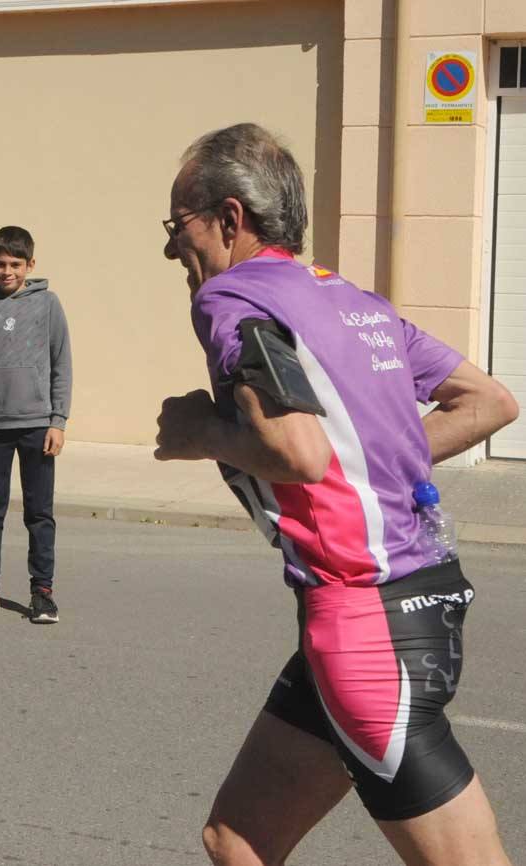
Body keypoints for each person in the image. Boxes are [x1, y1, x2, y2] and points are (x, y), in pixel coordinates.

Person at [154, 123, 518, 866]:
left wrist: (200, 431)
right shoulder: (352, 302)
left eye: (176, 225)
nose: (169, 249)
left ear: (228, 220)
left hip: (365, 624)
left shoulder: (229, 297)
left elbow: (296, 449)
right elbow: (487, 402)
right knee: (237, 840)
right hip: (403, 602)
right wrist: (372, 460)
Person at [0, 225, 71, 623]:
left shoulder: (48, 304)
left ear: (30, 264)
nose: (6, 271)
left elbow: (61, 365)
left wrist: (58, 422)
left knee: (39, 513)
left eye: (15, 264)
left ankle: (42, 592)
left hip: (38, 425)